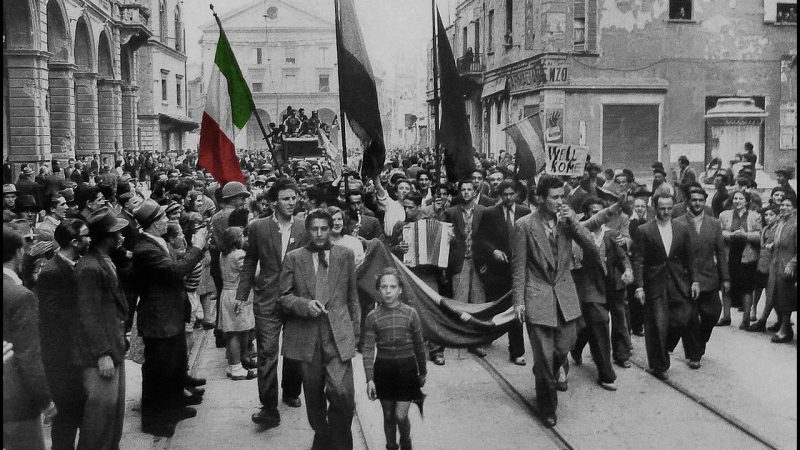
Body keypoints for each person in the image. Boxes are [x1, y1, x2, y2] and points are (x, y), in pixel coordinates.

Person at [511, 176, 601, 428]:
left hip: (564, 294)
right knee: (543, 355)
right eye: (554, 197)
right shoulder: (524, 225)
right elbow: (518, 267)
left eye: (562, 196)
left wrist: (574, 223)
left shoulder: (567, 222)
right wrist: (519, 301)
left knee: (564, 347)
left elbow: (592, 249)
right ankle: (548, 407)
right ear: (540, 198)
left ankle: (545, 371)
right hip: (537, 294)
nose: (560, 201)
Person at [279, 209, 360, 450]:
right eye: (314, 229)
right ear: (308, 230)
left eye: (324, 228)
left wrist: (356, 332)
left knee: (342, 392)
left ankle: (341, 440)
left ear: (331, 228)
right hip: (307, 337)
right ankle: (323, 436)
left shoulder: (345, 255)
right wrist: (304, 305)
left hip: (338, 333)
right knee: (313, 396)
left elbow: (353, 296)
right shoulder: (294, 257)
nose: (319, 234)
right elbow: (283, 296)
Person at [132, 199, 208, 437]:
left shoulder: (158, 243)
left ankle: (174, 407)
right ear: (154, 223)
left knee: (175, 366)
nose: (168, 221)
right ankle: (154, 420)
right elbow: (176, 271)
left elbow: (177, 264)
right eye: (163, 218)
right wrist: (197, 247)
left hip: (171, 316)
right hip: (159, 319)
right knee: (158, 371)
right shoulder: (145, 249)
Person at [237, 179, 307, 427]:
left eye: (294, 197)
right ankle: (268, 408)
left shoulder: (303, 227)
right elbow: (249, 261)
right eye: (286, 198)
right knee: (267, 353)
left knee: (295, 351)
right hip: (267, 299)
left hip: (296, 299)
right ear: (274, 201)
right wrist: (241, 295)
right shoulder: (258, 227)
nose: (291, 202)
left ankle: (291, 391)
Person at [74, 209, 130, 448]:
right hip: (102, 354)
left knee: (113, 415)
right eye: (117, 233)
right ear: (107, 237)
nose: (122, 237)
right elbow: (89, 314)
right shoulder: (89, 267)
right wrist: (102, 353)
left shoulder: (104, 260)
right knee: (99, 418)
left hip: (113, 345)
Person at [35, 219, 90, 449]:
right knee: (66, 419)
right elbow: (52, 320)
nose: (90, 239)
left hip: (78, 356)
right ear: (74, 242)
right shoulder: (51, 272)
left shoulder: (78, 263)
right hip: (64, 362)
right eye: (86, 236)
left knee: (82, 415)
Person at [633, 193, 699, 381]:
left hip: (678, 281)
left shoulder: (682, 229)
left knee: (683, 317)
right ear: (654, 208)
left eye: (669, 208)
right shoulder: (644, 230)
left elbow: (690, 258)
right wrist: (639, 286)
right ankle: (659, 365)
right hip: (655, 282)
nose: (666, 212)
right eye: (662, 208)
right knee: (657, 325)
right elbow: (638, 260)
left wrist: (694, 280)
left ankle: (665, 347)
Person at [363, 268, 426, 450]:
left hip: (407, 370)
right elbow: (368, 350)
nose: (388, 291)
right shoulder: (372, 317)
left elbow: (419, 345)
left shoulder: (411, 313)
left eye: (392, 286)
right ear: (378, 290)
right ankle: (391, 445)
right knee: (388, 414)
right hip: (384, 370)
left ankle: (406, 440)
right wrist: (370, 379)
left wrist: (422, 371)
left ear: (400, 289)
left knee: (400, 415)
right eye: (384, 287)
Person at [3, 225, 52, 450]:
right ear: (18, 253)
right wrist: (45, 400)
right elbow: (29, 355)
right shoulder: (21, 296)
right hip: (17, 401)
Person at [474, 180, 530, 366]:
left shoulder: (525, 212)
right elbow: (480, 239)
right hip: (497, 270)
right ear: (500, 195)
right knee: (493, 308)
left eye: (511, 194)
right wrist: (493, 251)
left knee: (516, 310)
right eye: (504, 194)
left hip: (518, 270)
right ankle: (482, 340)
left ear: (517, 194)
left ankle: (517, 351)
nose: (508, 197)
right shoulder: (490, 213)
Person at [676, 184, 729, 369]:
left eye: (700, 200)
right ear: (688, 202)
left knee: (713, 313)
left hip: (709, 277)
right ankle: (695, 354)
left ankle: (699, 344)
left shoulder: (714, 224)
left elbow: (721, 252)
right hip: (686, 279)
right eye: (694, 200)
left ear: (705, 201)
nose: (697, 203)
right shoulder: (679, 222)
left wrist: (726, 278)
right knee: (690, 318)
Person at [717, 190, 761, 328]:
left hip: (747, 256)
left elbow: (760, 235)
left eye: (740, 199)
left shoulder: (755, 216)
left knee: (747, 288)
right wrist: (731, 235)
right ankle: (726, 316)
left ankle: (746, 318)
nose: (737, 201)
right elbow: (719, 232)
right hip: (730, 255)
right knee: (726, 285)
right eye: (735, 198)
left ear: (746, 201)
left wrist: (745, 235)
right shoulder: (724, 215)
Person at [218, 226, 257, 380]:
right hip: (237, 294)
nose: (244, 238)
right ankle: (236, 367)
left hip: (227, 293)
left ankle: (234, 364)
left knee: (236, 330)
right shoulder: (239, 255)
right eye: (242, 236)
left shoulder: (224, 254)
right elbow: (250, 273)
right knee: (235, 332)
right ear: (236, 239)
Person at [766, 198, 797, 343]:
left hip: (788, 267)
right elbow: (780, 240)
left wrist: (792, 263)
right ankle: (785, 328)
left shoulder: (795, 224)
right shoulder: (781, 222)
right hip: (776, 264)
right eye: (782, 205)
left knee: (786, 299)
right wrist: (773, 244)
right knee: (777, 296)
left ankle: (785, 330)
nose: (784, 207)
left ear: (794, 207)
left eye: (788, 205)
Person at [747, 205, 781, 332]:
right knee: (758, 289)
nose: (768, 217)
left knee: (770, 294)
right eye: (766, 215)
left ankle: (763, 321)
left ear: (777, 216)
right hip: (762, 265)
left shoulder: (778, 229)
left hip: (773, 266)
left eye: (771, 215)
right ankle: (756, 310)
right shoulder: (766, 228)